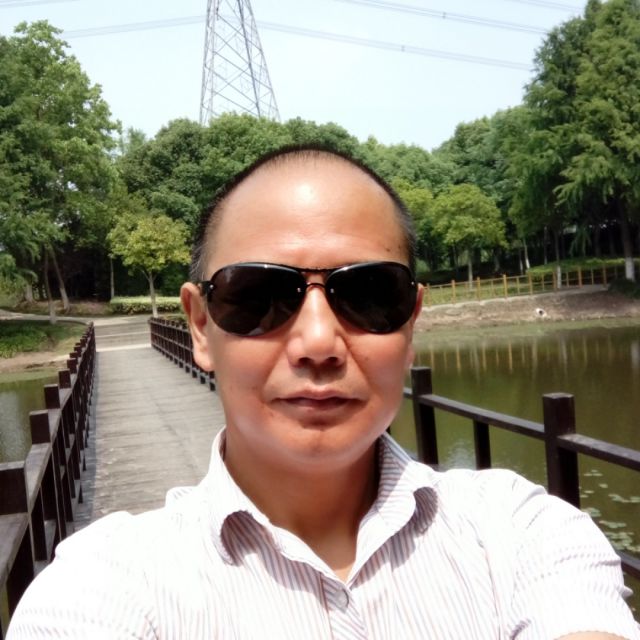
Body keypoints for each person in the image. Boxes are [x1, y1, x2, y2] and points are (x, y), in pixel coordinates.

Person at [7, 146, 639, 639]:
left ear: (411, 323)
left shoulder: (518, 533)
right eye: (258, 296)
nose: (318, 341)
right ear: (200, 326)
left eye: (370, 295)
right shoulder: (105, 584)